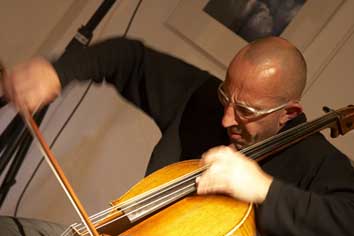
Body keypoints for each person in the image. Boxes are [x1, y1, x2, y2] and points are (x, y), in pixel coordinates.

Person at [1, 36, 354, 235]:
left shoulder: (319, 164)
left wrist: (263, 189)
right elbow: (131, 59)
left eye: (246, 111)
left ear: (287, 114)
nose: (227, 117)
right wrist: (57, 72)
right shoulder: (203, 101)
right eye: (225, 96)